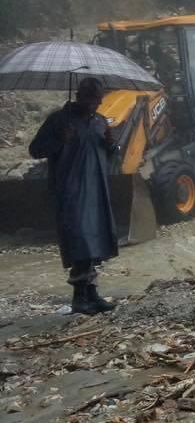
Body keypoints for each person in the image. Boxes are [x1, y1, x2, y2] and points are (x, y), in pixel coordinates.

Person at [29, 77, 120, 316]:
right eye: (90, 99)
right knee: (81, 241)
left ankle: (92, 294)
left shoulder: (101, 123)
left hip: (97, 189)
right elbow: (35, 149)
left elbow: (111, 157)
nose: (95, 105)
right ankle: (79, 297)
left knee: (96, 241)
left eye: (98, 100)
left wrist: (112, 145)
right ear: (79, 96)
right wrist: (59, 138)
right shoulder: (59, 120)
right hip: (71, 191)